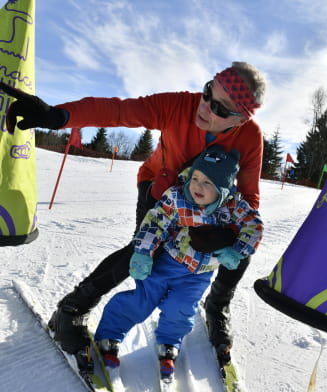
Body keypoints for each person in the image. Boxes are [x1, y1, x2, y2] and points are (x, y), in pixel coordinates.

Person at [0, 61, 266, 365]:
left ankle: (217, 307)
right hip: (159, 188)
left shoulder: (249, 137)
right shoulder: (179, 105)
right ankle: (71, 310)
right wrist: (60, 115)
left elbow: (249, 196)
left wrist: (229, 234)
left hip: (208, 201)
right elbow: (119, 110)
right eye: (208, 92)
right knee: (141, 250)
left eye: (220, 108)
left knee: (241, 250)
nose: (205, 107)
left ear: (240, 119)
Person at [93, 144, 263, 380]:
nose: (197, 186)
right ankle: (109, 335)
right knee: (142, 301)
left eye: (207, 183)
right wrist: (143, 252)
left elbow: (254, 226)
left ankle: (169, 342)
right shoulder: (178, 197)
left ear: (223, 188)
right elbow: (155, 222)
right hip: (168, 263)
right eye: (196, 178)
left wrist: (237, 251)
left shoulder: (232, 206)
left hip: (199, 274)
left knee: (181, 309)